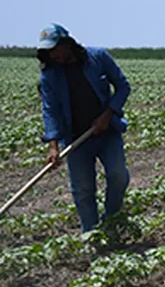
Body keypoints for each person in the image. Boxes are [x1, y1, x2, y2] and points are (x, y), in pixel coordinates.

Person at [36, 23, 131, 233]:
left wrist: (108, 115)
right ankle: (91, 234)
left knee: (118, 176)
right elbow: (49, 110)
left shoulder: (97, 58)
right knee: (83, 189)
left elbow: (123, 86)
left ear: (67, 44)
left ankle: (111, 222)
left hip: (108, 132)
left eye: (56, 49)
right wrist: (53, 146)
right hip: (76, 138)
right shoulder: (49, 75)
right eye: (48, 52)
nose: (54, 55)